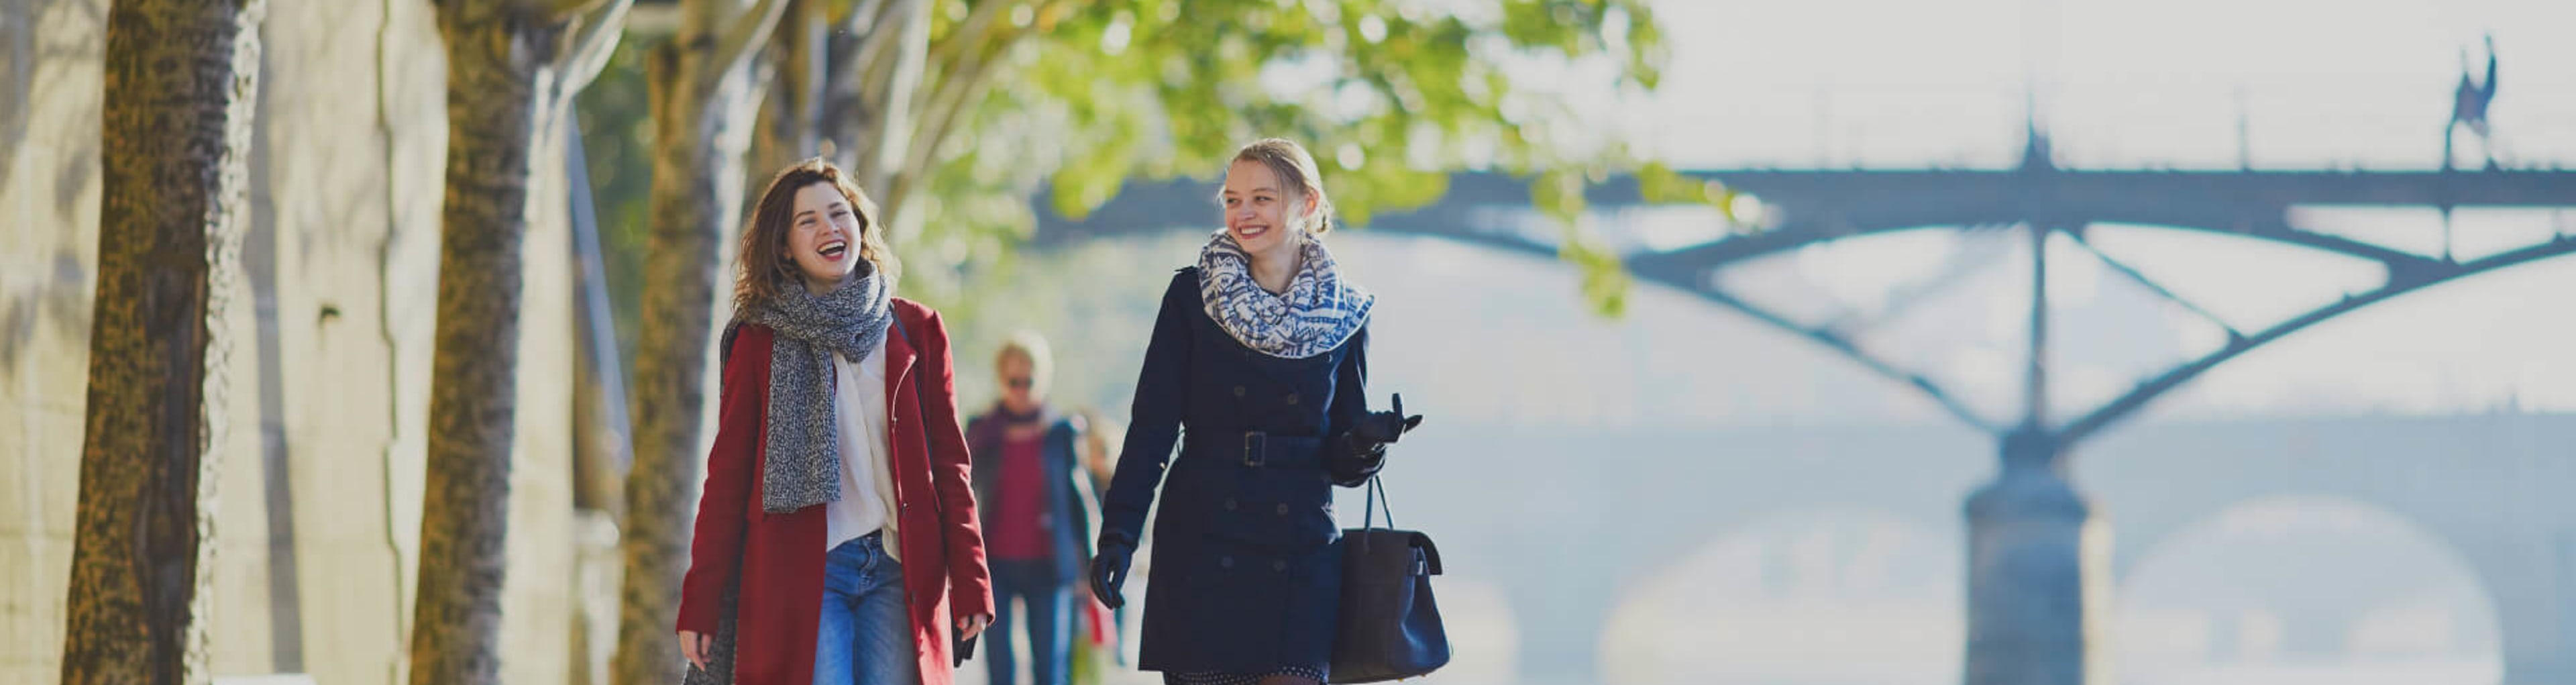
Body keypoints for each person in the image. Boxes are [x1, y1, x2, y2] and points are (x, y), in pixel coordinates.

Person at [1087, 138, 1424, 685]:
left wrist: (1365, 443)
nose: (1243, 214)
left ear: (1307, 204)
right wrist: (1119, 536)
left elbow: (1342, 462)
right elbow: (1151, 429)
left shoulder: (1347, 314)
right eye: (1233, 199)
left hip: (1301, 550)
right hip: (1202, 540)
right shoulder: (1190, 296)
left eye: (1262, 199)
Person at [676, 158, 995, 685]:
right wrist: (701, 600)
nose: (829, 228)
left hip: (900, 570)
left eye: (838, 213)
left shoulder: (916, 329)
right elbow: (727, 477)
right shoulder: (760, 341)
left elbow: (950, 465)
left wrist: (972, 579)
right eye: (808, 221)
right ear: (784, 246)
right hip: (806, 574)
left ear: (859, 226)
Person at [965, 332, 1103, 685]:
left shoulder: (1061, 432)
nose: (1022, 390)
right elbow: (963, 497)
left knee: (1050, 668)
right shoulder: (981, 433)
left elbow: (1079, 501)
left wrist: (1090, 566)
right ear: (1001, 379)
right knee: (1000, 668)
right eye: (1014, 382)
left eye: (1029, 382)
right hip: (995, 564)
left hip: (1048, 564)